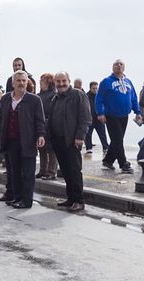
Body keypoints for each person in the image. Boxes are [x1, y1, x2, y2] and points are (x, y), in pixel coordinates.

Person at [0, 70, 46, 209]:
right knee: (14, 172)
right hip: (11, 141)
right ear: (13, 83)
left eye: (24, 81)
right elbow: (1, 120)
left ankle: (27, 201)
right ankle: (17, 197)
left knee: (28, 173)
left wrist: (41, 135)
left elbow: (40, 121)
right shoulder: (6, 98)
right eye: (19, 80)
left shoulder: (34, 100)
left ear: (27, 82)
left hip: (27, 141)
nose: (21, 83)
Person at [48, 72, 91, 211]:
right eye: (58, 81)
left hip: (72, 141)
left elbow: (85, 118)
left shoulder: (78, 95)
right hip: (58, 140)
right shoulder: (55, 98)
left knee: (74, 170)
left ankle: (79, 200)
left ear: (69, 81)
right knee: (65, 171)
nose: (61, 84)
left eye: (63, 81)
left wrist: (80, 136)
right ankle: (70, 198)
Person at [96, 59, 142, 174]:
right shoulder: (106, 81)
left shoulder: (128, 82)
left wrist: (137, 112)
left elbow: (134, 98)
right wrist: (100, 113)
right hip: (111, 116)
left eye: (121, 64)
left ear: (124, 67)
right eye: (116, 64)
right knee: (117, 140)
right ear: (113, 67)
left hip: (124, 116)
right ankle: (124, 164)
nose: (119, 66)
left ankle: (108, 160)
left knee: (117, 139)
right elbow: (99, 98)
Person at [36, 73, 58, 180]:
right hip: (41, 124)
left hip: (50, 125)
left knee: (51, 149)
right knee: (42, 148)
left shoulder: (53, 95)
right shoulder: (39, 95)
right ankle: (42, 170)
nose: (40, 81)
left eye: (42, 79)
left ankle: (51, 171)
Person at [85, 81, 109, 154]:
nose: (95, 90)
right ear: (90, 88)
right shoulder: (86, 96)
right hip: (90, 119)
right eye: (93, 88)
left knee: (102, 134)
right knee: (88, 134)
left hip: (99, 118)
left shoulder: (100, 96)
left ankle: (105, 147)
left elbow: (104, 105)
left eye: (96, 88)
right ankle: (89, 148)